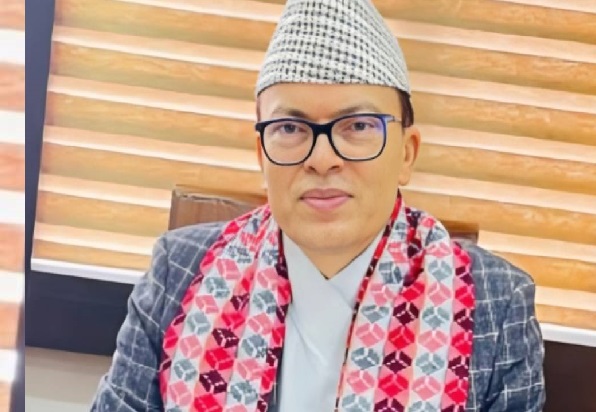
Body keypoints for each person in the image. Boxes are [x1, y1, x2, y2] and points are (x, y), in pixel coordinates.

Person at [90, 0, 545, 410]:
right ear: (261, 155)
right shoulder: (177, 272)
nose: (322, 159)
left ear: (407, 153)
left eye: (358, 126)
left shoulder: (497, 302)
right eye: (290, 129)